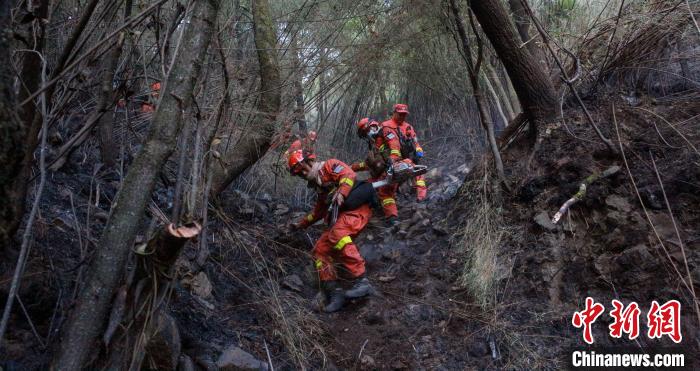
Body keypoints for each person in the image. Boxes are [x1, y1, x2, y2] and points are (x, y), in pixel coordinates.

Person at [287, 150, 372, 312]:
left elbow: (348, 174)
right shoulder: (320, 187)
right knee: (319, 250)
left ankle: (362, 280)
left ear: (309, 161)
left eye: (303, 168)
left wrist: (341, 192)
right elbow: (317, 213)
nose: (303, 173)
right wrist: (300, 225)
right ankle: (335, 292)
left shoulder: (330, 165)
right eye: (299, 173)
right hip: (343, 216)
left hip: (357, 209)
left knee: (337, 234)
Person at [351, 117, 404, 226]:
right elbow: (369, 164)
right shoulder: (375, 143)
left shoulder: (385, 130)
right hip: (384, 169)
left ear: (371, 127)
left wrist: (393, 160)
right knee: (368, 184)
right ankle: (375, 206)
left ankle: (393, 218)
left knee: (385, 192)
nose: (367, 136)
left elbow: (394, 145)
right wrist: (352, 167)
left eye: (365, 133)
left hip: (393, 166)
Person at [381, 104, 427, 202]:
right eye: (400, 114)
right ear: (394, 113)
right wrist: (393, 160)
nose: (402, 116)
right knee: (393, 181)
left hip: (407, 157)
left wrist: (418, 150)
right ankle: (394, 198)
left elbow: (415, 141)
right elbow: (393, 145)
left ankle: (421, 198)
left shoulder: (408, 127)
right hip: (392, 159)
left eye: (404, 114)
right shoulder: (387, 126)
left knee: (419, 174)